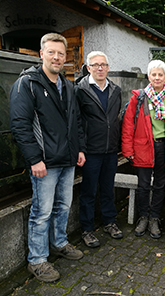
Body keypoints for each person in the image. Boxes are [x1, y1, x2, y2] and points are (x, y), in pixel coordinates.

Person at [9, 33, 86, 282]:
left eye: (61, 53)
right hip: (44, 163)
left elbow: (76, 122)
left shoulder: (68, 86)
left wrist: (79, 149)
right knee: (41, 213)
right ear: (41, 53)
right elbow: (20, 125)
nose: (56, 57)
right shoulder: (28, 84)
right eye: (51, 52)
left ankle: (60, 243)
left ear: (66, 57)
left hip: (67, 160)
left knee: (63, 206)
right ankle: (37, 260)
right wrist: (34, 159)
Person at [122, 60, 165, 239]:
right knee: (143, 184)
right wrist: (127, 149)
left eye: (160, 74)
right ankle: (143, 216)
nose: (157, 78)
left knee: (159, 184)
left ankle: (155, 218)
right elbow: (128, 126)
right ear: (149, 76)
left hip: (164, 147)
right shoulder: (138, 98)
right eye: (154, 74)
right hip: (143, 147)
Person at [76, 51, 123, 248]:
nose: (100, 68)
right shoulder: (80, 90)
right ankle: (86, 229)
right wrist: (80, 148)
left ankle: (109, 221)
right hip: (90, 151)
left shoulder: (116, 90)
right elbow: (77, 122)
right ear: (88, 68)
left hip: (110, 150)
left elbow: (116, 119)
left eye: (103, 64)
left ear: (108, 67)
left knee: (107, 188)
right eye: (95, 65)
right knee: (88, 191)